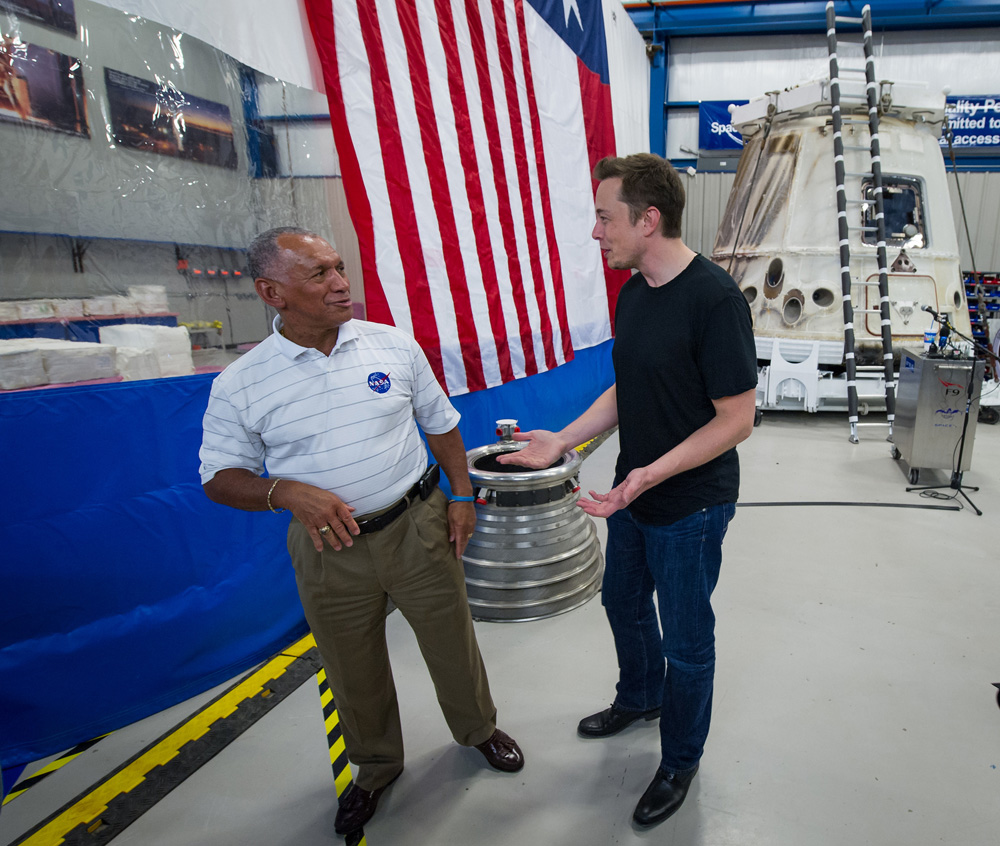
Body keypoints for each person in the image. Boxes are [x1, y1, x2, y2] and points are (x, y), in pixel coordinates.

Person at [199, 227, 523, 836]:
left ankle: (478, 730)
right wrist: (284, 491)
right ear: (273, 292)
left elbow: (442, 423)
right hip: (329, 551)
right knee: (353, 666)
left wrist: (460, 496)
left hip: (417, 526)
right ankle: (375, 767)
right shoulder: (242, 384)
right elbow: (218, 477)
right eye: (319, 273)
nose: (342, 283)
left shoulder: (392, 348)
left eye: (340, 268)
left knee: (452, 640)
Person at [499, 154, 757, 827]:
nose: (595, 232)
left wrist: (653, 472)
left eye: (604, 217)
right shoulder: (636, 290)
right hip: (633, 490)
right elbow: (630, 384)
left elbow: (737, 419)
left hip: (689, 505)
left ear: (648, 219)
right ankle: (640, 696)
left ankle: (678, 760)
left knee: (687, 641)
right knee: (621, 601)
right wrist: (565, 439)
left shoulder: (714, 301)